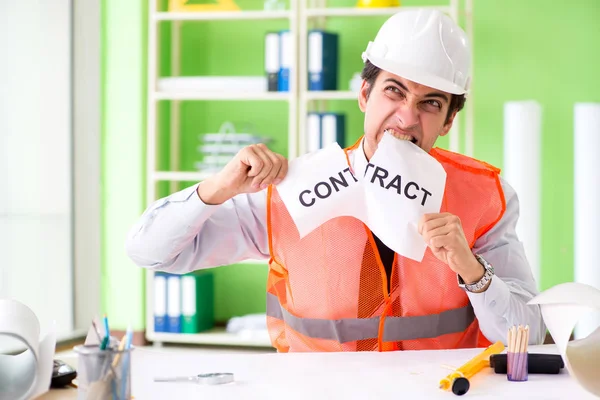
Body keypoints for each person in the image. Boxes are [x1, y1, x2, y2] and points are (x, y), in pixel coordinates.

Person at [126, 8, 545, 352]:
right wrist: (215, 190)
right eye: (394, 92)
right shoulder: (292, 188)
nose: (406, 117)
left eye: (430, 103)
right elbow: (150, 253)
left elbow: (526, 336)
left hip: (436, 391)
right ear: (365, 95)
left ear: (449, 120)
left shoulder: (484, 197)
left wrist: (473, 271)